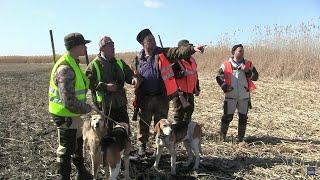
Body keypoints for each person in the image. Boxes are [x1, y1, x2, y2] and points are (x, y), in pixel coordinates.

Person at [132, 28, 205, 156]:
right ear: (143, 44)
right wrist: (135, 80)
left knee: (161, 125)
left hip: (161, 98)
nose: (153, 42)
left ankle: (157, 149)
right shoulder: (137, 59)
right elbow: (134, 74)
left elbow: (177, 52)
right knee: (143, 123)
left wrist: (192, 49)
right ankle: (142, 146)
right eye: (149, 40)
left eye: (154, 39)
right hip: (145, 98)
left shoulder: (163, 53)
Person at [48, 33, 93, 179]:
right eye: (83, 45)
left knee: (77, 144)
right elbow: (69, 102)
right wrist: (87, 108)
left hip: (74, 114)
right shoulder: (65, 68)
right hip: (65, 114)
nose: (85, 47)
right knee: (66, 149)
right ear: (76, 47)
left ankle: (81, 172)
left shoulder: (74, 62)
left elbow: (78, 87)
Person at [86, 36, 138, 133]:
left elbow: (129, 75)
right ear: (102, 49)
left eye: (113, 46)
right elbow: (88, 83)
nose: (113, 49)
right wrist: (105, 87)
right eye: (109, 46)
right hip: (104, 106)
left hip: (120, 103)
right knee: (106, 133)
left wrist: (134, 79)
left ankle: (124, 147)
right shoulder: (94, 65)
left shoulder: (119, 62)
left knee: (124, 130)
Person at [215, 44, 259, 142]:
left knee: (243, 118)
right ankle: (222, 138)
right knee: (227, 117)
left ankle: (240, 139)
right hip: (230, 96)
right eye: (239, 51)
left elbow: (256, 77)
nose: (242, 52)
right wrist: (225, 87)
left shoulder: (248, 64)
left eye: (243, 51)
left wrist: (247, 71)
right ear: (234, 52)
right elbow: (218, 77)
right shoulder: (225, 64)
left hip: (244, 96)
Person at [171, 39, 200, 123]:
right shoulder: (175, 61)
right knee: (179, 113)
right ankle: (177, 132)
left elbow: (195, 75)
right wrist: (182, 74)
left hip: (190, 91)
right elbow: (171, 75)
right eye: (187, 47)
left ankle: (186, 131)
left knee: (189, 111)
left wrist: (197, 88)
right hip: (179, 92)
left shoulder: (192, 60)